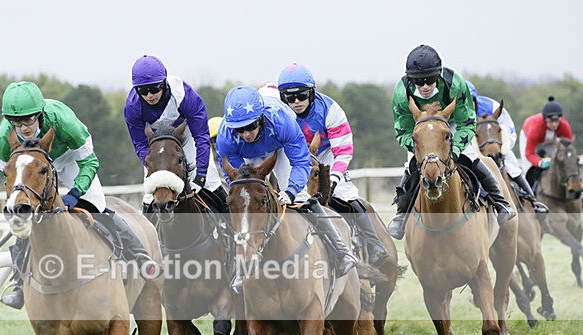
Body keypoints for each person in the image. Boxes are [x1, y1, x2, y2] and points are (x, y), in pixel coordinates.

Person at [0, 81, 160, 309]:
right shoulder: (4, 137)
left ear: (40, 114)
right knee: (23, 219)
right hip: (32, 168)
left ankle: (139, 256)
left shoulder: (63, 120)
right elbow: (9, 175)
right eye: (16, 122)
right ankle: (18, 284)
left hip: (70, 159)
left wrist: (75, 193)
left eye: (29, 120)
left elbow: (90, 161)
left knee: (97, 207)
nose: (23, 128)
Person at [214, 85, 357, 281]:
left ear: (261, 119)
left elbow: (301, 162)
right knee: (244, 203)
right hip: (246, 157)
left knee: (301, 197)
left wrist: (290, 191)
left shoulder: (282, 121)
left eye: (251, 126)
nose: (246, 134)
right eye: (240, 129)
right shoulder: (225, 138)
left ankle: (340, 250)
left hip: (279, 149)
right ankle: (239, 268)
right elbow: (237, 178)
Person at [387, 44, 515, 240]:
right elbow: (402, 130)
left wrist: (454, 149)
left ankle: (500, 203)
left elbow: (467, 122)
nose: (425, 87)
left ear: (438, 74)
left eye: (430, 80)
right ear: (411, 80)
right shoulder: (401, 93)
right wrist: (423, 148)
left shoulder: (455, 84)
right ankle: (401, 215)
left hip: (452, 124)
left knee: (471, 157)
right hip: (421, 131)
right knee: (411, 165)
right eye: (419, 82)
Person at [277, 63, 389, 266]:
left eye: (301, 95)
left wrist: (335, 178)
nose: (296, 102)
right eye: (289, 97)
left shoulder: (330, 109)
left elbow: (343, 151)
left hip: (325, 154)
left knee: (345, 193)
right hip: (292, 155)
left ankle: (374, 244)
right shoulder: (279, 113)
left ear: (311, 92)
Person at [124, 55, 227, 211]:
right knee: (148, 194)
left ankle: (231, 228)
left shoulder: (184, 95)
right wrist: (154, 164)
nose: (149, 95)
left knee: (211, 180)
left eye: (154, 88)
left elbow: (201, 138)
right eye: (143, 90)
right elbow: (140, 144)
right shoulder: (132, 106)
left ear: (164, 82)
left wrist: (201, 175)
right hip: (157, 144)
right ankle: (149, 234)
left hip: (187, 135)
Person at [466, 81, 547, 213]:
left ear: (475, 99)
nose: (468, 106)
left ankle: (533, 201)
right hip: (473, 147)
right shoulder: (458, 111)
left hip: (499, 143)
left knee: (512, 166)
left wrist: (503, 150)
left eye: (471, 102)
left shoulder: (492, 106)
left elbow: (508, 129)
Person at [519, 96, 575, 189]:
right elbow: (529, 153)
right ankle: (529, 193)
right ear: (545, 119)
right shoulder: (535, 128)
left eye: (556, 121)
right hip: (528, 136)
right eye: (551, 121)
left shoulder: (564, 126)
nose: (554, 124)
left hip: (550, 141)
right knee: (527, 167)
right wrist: (540, 162)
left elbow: (568, 150)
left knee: (563, 159)